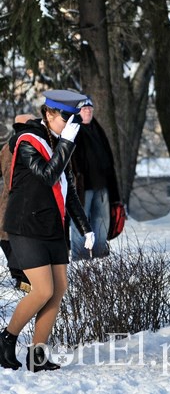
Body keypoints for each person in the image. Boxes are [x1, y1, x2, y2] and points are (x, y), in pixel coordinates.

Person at [0, 90, 94, 372]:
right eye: (66, 118)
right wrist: (67, 143)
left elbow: (68, 191)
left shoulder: (57, 141)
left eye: (72, 119)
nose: (69, 124)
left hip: (52, 226)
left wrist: (85, 227)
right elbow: (47, 175)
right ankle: (6, 338)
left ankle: (37, 356)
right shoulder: (28, 141)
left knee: (58, 290)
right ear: (49, 114)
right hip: (27, 226)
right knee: (42, 290)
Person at [69, 96, 122, 259]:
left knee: (102, 222)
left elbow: (108, 160)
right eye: (85, 109)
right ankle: (79, 257)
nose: (88, 112)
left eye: (90, 109)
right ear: (78, 111)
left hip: (102, 186)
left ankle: (100, 255)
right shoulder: (73, 130)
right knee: (80, 223)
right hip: (82, 188)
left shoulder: (97, 129)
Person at [1, 115, 35, 292]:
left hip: (7, 201)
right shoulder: (31, 145)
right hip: (24, 201)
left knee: (7, 238)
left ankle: (19, 274)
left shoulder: (7, 147)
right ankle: (22, 276)